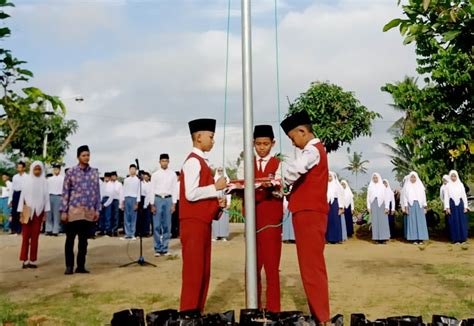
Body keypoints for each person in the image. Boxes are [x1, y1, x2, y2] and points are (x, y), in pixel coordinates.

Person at [280, 111, 330, 323]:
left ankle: (321, 316)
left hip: (310, 213)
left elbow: (295, 170)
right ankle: (318, 313)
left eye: (293, 138)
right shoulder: (313, 151)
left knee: (312, 267)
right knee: (309, 266)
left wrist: (280, 180)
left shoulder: (312, 151)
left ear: (302, 131)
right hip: (306, 212)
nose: (293, 143)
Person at [179, 118, 227, 313]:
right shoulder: (192, 161)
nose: (213, 141)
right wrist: (214, 188)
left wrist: (217, 202)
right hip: (192, 223)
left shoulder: (201, 162)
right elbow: (191, 194)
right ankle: (188, 313)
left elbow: (201, 195)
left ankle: (197, 311)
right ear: (199, 137)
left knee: (203, 271)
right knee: (194, 271)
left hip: (202, 222)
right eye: (211, 136)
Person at [238, 124, 284, 312]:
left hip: (272, 222)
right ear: (252, 143)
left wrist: (272, 188)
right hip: (253, 222)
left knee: (272, 267)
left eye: (266, 144)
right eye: (258, 144)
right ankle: (253, 307)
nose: (262, 147)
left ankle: (273, 309)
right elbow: (240, 185)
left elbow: (282, 190)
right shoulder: (246, 163)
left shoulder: (279, 164)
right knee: (252, 266)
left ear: (273, 144)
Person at [61, 145, 101, 275]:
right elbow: (65, 192)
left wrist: (97, 210)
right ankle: (69, 266)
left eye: (88, 155)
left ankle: (81, 266)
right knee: (70, 240)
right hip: (73, 211)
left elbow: (97, 192)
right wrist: (64, 211)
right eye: (84, 155)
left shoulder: (94, 172)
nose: (86, 157)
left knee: (83, 241)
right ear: (78, 157)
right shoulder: (71, 172)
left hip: (88, 212)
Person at [17, 161, 50, 269]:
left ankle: (32, 260)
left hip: (38, 212)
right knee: (25, 237)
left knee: (35, 237)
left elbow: (46, 198)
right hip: (27, 211)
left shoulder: (44, 181)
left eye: (39, 169)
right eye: (35, 169)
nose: (37, 171)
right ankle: (24, 259)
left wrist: (45, 212)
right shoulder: (27, 180)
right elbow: (22, 197)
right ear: (31, 169)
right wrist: (21, 212)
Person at [148, 154, 178, 256]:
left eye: (166, 161)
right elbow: (151, 189)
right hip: (157, 199)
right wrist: (152, 204)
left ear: (168, 162)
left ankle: (165, 248)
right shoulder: (155, 174)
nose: (164, 163)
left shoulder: (172, 174)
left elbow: (175, 189)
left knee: (167, 225)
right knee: (156, 225)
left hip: (168, 199)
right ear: (159, 162)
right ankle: (157, 248)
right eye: (162, 161)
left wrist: (174, 203)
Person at [403, 171, 429, 245]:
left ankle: (420, 238)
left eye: (414, 177)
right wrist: (406, 207)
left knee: (420, 221)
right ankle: (413, 238)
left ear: (416, 178)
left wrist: (425, 207)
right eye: (411, 177)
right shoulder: (407, 186)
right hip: (411, 205)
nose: (413, 179)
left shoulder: (420, 186)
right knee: (412, 222)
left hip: (419, 205)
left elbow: (424, 197)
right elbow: (405, 198)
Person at [444, 170, 469, 244]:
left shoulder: (460, 184)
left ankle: (463, 239)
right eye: (452, 176)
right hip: (452, 205)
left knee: (462, 222)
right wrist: (447, 207)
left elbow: (464, 196)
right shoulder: (448, 185)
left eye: (454, 176)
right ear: (450, 177)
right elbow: (446, 197)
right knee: (454, 222)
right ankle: (455, 239)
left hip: (460, 205)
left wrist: (465, 206)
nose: (453, 178)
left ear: (457, 176)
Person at [367, 173, 390, 244]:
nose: (375, 179)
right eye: (374, 178)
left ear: (379, 178)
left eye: (376, 178)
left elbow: (386, 197)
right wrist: (368, 206)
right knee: (375, 221)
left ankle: (384, 238)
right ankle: (376, 238)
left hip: (382, 205)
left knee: (383, 221)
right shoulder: (370, 186)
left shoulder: (383, 186)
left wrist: (387, 207)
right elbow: (368, 198)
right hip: (373, 204)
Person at [120, 164, 141, 240]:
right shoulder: (126, 180)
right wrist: (122, 202)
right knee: (126, 217)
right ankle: (127, 233)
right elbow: (123, 191)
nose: (132, 171)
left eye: (133, 169)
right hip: (126, 198)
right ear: (129, 170)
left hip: (134, 198)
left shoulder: (138, 180)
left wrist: (137, 203)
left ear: (136, 170)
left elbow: (138, 192)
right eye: (131, 169)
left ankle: (132, 233)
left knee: (133, 217)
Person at [212, 167, 231, 242]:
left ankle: (224, 236)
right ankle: (216, 235)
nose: (220, 172)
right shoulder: (214, 180)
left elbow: (229, 192)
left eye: (221, 170)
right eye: (218, 170)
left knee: (224, 219)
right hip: (216, 202)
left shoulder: (227, 180)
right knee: (215, 219)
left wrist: (229, 203)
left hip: (224, 202)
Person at [9, 161, 27, 235]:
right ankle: (14, 229)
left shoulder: (27, 177)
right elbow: (12, 188)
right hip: (16, 194)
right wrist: (10, 199)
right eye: (18, 167)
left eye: (20, 167)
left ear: (24, 168)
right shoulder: (15, 177)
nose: (19, 168)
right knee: (14, 212)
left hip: (23, 193)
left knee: (22, 212)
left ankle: (21, 229)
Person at [45, 163, 64, 236]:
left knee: (56, 214)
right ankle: (48, 229)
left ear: (59, 170)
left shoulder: (62, 179)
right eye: (54, 169)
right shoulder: (49, 179)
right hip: (50, 196)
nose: (56, 170)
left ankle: (56, 230)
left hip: (58, 196)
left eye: (57, 169)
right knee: (49, 214)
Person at [326, 171, 344, 244]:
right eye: (328, 176)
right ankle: (328, 238)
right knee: (328, 221)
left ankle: (337, 239)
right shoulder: (325, 185)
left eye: (330, 176)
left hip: (335, 204)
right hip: (327, 203)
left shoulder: (337, 186)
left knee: (336, 221)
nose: (329, 178)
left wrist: (341, 207)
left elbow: (340, 197)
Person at [137, 171, 152, 237]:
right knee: (140, 217)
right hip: (141, 199)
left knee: (147, 217)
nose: (145, 177)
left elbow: (150, 193)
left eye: (147, 176)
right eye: (144, 176)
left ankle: (146, 232)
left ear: (149, 177)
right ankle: (140, 232)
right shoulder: (140, 183)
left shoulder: (151, 184)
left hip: (148, 200)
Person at [109, 172, 122, 237]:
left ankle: (115, 230)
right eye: (112, 176)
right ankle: (110, 230)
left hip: (116, 200)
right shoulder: (108, 184)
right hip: (109, 200)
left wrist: (121, 203)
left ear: (116, 177)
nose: (113, 177)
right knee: (110, 215)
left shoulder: (119, 184)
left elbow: (121, 194)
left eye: (114, 176)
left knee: (116, 216)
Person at [171, 171, 181, 239]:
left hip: (180, 201)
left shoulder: (181, 184)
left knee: (179, 218)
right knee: (173, 218)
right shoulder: (172, 184)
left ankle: (179, 232)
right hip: (173, 202)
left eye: (177, 176)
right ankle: (173, 233)